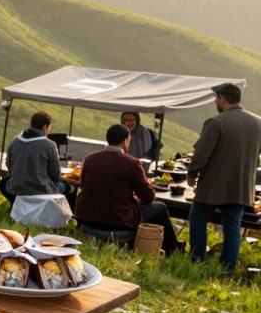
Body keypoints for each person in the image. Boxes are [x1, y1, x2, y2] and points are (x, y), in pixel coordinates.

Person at [187, 83, 261, 273]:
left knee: (197, 218)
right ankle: (227, 270)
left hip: (213, 186)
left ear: (222, 99)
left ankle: (197, 262)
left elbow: (201, 154)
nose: (215, 102)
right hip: (242, 187)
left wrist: (192, 174)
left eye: (216, 98)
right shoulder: (258, 123)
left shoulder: (216, 122)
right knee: (233, 227)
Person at [75, 124, 181, 254]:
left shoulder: (90, 159)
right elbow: (148, 197)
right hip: (118, 221)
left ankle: (168, 247)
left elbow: (84, 185)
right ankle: (173, 249)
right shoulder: (132, 163)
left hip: (87, 220)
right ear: (126, 140)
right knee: (160, 208)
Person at [0, 111, 75, 210]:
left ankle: (15, 206)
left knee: (2, 183)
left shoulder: (15, 141)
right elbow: (55, 174)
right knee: (70, 187)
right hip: (40, 191)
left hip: (17, 188)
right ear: (45, 127)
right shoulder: (49, 145)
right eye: (49, 127)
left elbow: (9, 165)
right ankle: (61, 215)